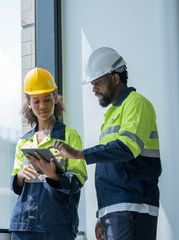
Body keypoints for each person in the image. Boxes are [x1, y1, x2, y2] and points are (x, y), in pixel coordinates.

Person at [52, 47, 162, 240]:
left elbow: (126, 148)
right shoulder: (112, 114)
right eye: (92, 83)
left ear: (115, 78)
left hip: (132, 206)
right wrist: (102, 214)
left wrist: (80, 154)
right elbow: (111, 165)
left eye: (97, 83)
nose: (94, 89)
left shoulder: (136, 104)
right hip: (115, 208)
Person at [9, 67, 88, 240]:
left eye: (47, 99)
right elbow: (16, 186)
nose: (42, 105)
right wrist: (20, 176)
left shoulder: (69, 136)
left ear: (55, 97)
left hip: (57, 226)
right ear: (28, 103)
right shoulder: (24, 141)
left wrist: (55, 176)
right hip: (23, 227)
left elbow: (79, 178)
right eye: (36, 101)